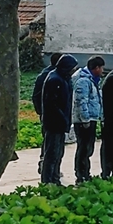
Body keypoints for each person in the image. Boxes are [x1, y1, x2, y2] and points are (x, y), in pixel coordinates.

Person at [35, 53, 77, 186]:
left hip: (61, 122)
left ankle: (55, 178)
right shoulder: (54, 79)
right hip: (54, 123)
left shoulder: (64, 79)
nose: (74, 71)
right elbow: (51, 104)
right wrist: (62, 119)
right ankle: (47, 180)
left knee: (58, 153)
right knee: (51, 153)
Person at [70, 55, 106, 183]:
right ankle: (81, 174)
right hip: (84, 121)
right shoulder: (84, 81)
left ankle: (85, 172)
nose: (102, 70)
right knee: (84, 148)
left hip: (91, 118)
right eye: (101, 68)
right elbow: (81, 101)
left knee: (88, 148)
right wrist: (85, 119)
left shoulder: (93, 80)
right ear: (96, 68)